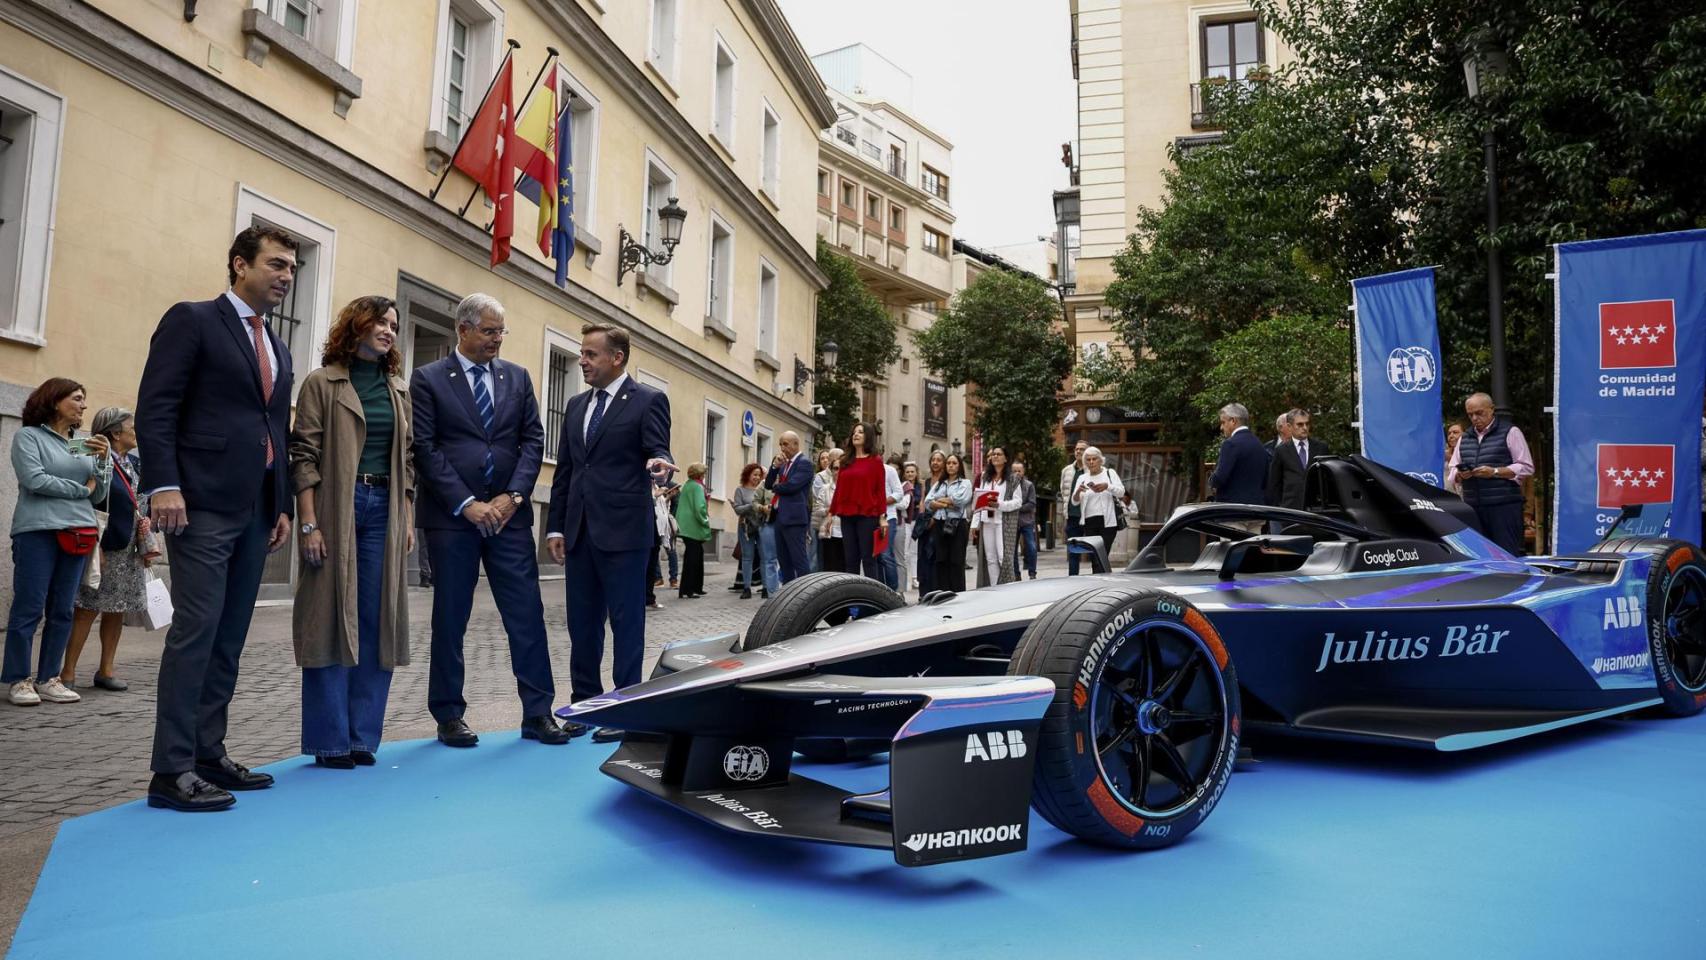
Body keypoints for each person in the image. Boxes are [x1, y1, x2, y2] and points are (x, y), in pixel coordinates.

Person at [137, 227, 297, 812]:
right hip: (198, 501)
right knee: (196, 631)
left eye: (291, 269)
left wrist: (279, 503)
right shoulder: (193, 320)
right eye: (276, 264)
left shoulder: (275, 345)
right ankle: (171, 770)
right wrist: (164, 484)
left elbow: (274, 428)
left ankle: (209, 754)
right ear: (239, 264)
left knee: (229, 636)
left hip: (255, 508)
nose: (285, 276)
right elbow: (157, 406)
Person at [411, 293, 567, 748]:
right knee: (450, 616)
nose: (497, 339)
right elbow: (426, 447)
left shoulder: (517, 378)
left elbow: (533, 440)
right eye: (489, 331)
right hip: (452, 520)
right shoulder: (430, 379)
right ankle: (448, 715)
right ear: (463, 329)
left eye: (501, 332)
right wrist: (466, 503)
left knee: (526, 615)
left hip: (509, 520)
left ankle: (538, 712)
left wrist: (514, 496)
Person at [289, 296, 416, 769]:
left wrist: (405, 509)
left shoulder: (398, 389)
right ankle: (330, 742)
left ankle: (363, 738)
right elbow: (303, 456)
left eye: (394, 325)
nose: (388, 331)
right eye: (380, 322)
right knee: (328, 617)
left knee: (376, 618)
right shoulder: (323, 383)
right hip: (335, 506)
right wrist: (309, 523)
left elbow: (407, 458)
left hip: (385, 507)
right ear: (356, 326)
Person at [545, 322, 674, 741]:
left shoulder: (648, 401)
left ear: (616, 358)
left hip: (624, 532)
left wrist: (658, 462)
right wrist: (555, 528)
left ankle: (625, 708)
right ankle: (585, 706)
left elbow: (658, 449)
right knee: (582, 624)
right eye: (581, 354)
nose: (582, 361)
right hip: (580, 531)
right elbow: (566, 471)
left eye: (590, 354)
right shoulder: (577, 406)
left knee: (626, 623)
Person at [4, 379, 111, 707]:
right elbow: (34, 480)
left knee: (63, 609)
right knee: (29, 607)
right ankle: (19, 679)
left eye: (84, 399)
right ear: (54, 401)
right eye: (77, 398)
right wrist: (82, 490)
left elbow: (101, 493)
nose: (83, 405)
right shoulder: (29, 437)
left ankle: (49, 678)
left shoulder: (80, 444)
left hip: (78, 531)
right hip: (37, 530)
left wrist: (104, 463)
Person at [62, 407, 148, 692]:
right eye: (131, 427)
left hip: (129, 550)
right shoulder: (86, 453)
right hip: (101, 545)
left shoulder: (134, 463)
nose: (136, 431)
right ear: (115, 432)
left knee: (117, 610)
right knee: (86, 608)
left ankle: (106, 670)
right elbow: (82, 499)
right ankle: (67, 672)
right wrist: (93, 546)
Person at [1448, 392, 1533, 555]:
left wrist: (1494, 472)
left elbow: (1526, 466)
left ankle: (1511, 580)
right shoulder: (1464, 438)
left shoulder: (1510, 432)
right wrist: (1460, 475)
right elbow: (1453, 470)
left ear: (1492, 409)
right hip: (1473, 507)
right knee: (1478, 555)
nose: (1474, 418)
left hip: (1503, 507)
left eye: (1479, 413)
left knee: (1506, 554)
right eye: (1470, 414)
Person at [831, 423, 886, 580]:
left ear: (868, 436)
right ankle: (853, 601)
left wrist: (882, 518)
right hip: (846, 515)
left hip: (868, 516)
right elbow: (839, 489)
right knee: (850, 561)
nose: (856, 435)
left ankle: (872, 600)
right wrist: (830, 514)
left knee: (869, 560)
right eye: (854, 432)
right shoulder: (845, 461)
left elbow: (880, 490)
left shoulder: (875, 461)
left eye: (860, 432)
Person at [765, 431, 813, 583]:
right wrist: (774, 466)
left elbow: (792, 486)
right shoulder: (783, 464)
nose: (782, 448)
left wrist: (776, 487)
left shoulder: (804, 463)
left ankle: (806, 593)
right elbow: (767, 484)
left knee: (799, 560)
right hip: (780, 517)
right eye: (780, 444)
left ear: (795, 444)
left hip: (794, 519)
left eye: (785, 444)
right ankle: (788, 596)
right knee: (784, 561)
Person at [972, 447, 1022, 588]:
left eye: (999, 454)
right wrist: (974, 524)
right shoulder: (985, 478)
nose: (995, 456)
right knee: (991, 558)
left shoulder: (1013, 479)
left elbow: (1018, 502)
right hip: (987, 521)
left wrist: (999, 504)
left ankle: (1009, 588)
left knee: (1003, 557)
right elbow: (978, 500)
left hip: (1003, 522)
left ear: (1006, 459)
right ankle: (995, 588)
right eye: (993, 454)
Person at [1266, 408, 1330, 511]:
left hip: (1316, 510)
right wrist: (1279, 507)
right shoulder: (1281, 451)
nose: (1305, 428)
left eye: (1307, 424)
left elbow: (1327, 480)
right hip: (1290, 511)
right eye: (1300, 424)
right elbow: (1274, 483)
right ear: (1289, 427)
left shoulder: (1321, 448)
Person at [926, 453, 972, 592]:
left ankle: (958, 593)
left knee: (956, 561)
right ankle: (943, 593)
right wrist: (947, 503)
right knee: (941, 560)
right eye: (949, 463)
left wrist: (940, 501)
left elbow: (960, 501)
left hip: (957, 524)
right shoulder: (940, 483)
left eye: (954, 463)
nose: (951, 466)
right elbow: (928, 502)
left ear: (959, 466)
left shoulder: (965, 483)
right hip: (940, 523)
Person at [1072, 446, 1126, 561]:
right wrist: (1078, 491)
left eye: (1094, 459)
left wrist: (1107, 486)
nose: (1091, 462)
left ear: (1101, 460)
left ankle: (1102, 577)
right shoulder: (1082, 478)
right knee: (1095, 557)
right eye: (1088, 459)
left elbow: (1121, 492)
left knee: (1102, 555)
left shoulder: (1109, 473)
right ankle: (1101, 578)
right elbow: (1074, 501)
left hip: (1108, 522)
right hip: (1089, 522)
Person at [1209, 403, 1269, 505]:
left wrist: (1211, 480)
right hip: (1256, 512)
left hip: (1233, 512)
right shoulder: (1259, 445)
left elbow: (1219, 478)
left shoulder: (1230, 444)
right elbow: (1266, 479)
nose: (1221, 427)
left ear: (1233, 421)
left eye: (1223, 422)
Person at [732, 463, 769, 600]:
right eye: (754, 474)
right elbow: (737, 510)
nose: (757, 477)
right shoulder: (740, 490)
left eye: (759, 475)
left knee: (764, 557)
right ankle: (746, 588)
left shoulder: (763, 489)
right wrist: (752, 506)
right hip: (746, 527)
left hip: (762, 525)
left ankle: (766, 587)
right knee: (747, 557)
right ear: (747, 475)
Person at [674, 464, 711, 598]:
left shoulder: (688, 484)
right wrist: (705, 520)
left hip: (685, 526)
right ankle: (688, 590)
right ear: (699, 474)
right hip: (693, 527)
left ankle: (695, 587)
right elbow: (699, 507)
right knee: (693, 558)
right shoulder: (697, 486)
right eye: (704, 473)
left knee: (696, 555)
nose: (705, 475)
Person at [915, 451, 946, 594]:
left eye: (939, 460)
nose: (935, 462)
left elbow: (943, 502)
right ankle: (924, 591)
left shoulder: (945, 482)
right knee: (922, 555)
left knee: (934, 555)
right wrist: (923, 519)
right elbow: (922, 500)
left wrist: (933, 519)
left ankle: (936, 590)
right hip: (925, 522)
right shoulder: (926, 481)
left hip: (939, 521)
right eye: (933, 459)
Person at [879, 453, 906, 590]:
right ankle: (879, 590)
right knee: (875, 557)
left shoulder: (889, 470)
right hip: (869, 519)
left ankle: (893, 590)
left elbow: (899, 493)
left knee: (885, 554)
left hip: (888, 517)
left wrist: (880, 502)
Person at [814, 448, 844, 572]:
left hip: (846, 531)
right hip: (829, 531)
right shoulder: (825, 488)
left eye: (841, 468)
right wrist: (828, 510)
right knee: (829, 566)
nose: (838, 471)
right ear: (831, 470)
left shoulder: (851, 488)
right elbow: (817, 509)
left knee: (845, 566)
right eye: (835, 468)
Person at [1060, 440, 1087, 575]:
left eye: (1082, 449)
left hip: (1089, 516)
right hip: (1072, 516)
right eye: (1077, 449)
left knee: (1093, 550)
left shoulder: (1091, 470)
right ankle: (1073, 578)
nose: (1078, 451)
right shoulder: (1067, 471)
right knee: (1073, 551)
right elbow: (1064, 492)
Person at [1010, 461, 1039, 581]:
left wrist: (1016, 507)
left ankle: (1032, 572)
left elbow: (1032, 503)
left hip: (1027, 521)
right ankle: (1016, 574)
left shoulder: (1029, 485)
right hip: (1012, 522)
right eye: (1014, 471)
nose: (1017, 473)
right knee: (1012, 549)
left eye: (1019, 471)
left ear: (1023, 472)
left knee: (1031, 547)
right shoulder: (1008, 485)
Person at [895, 460, 920, 592]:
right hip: (905, 520)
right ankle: (904, 581)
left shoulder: (918, 486)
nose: (910, 474)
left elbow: (918, 503)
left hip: (914, 521)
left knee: (912, 552)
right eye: (908, 472)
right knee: (904, 552)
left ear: (916, 473)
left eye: (912, 471)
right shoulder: (901, 485)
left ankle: (914, 578)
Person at [1444, 421, 1466, 496]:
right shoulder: (1443, 455)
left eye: (1455, 432)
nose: (1451, 436)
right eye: (1449, 433)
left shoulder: (1469, 452)